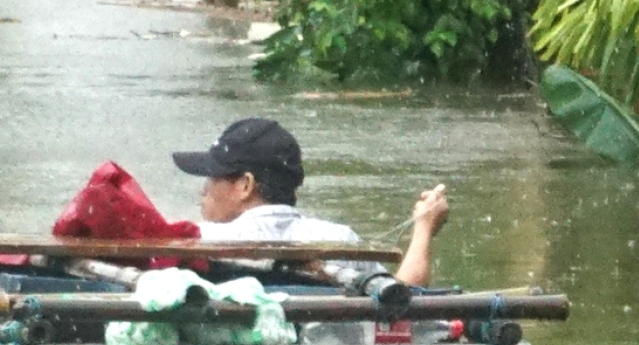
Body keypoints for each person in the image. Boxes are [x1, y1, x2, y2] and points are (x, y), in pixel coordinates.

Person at [172, 116, 450, 286]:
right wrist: (423, 229)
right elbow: (404, 298)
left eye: (212, 176)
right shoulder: (341, 240)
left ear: (245, 185)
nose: (203, 191)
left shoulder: (198, 241)